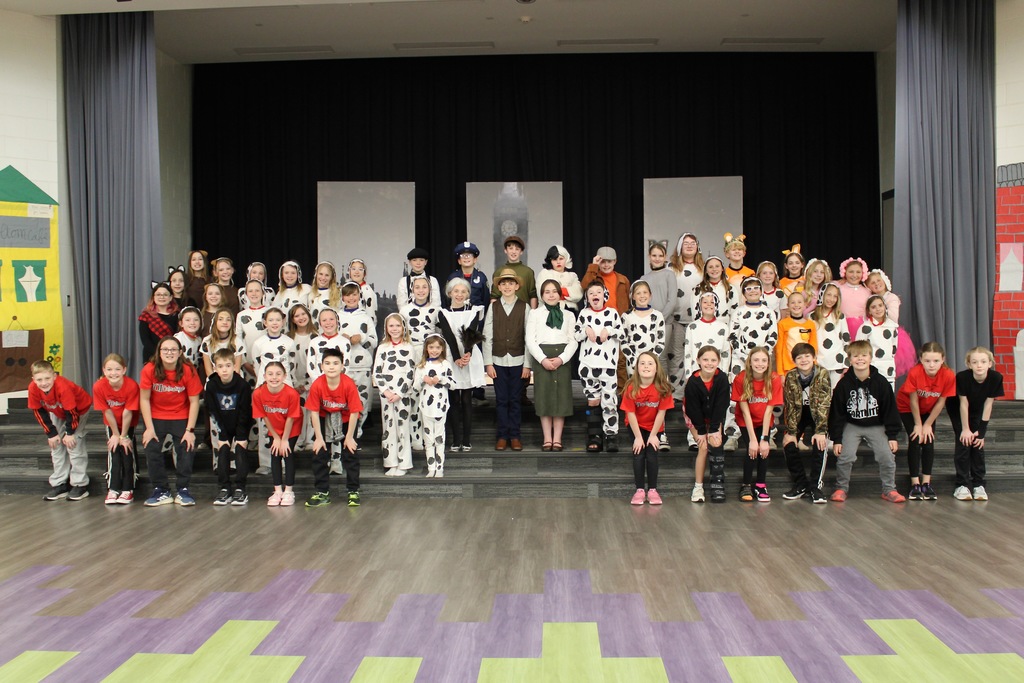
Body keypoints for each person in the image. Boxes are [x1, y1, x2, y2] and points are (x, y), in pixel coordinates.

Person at [829, 339, 904, 503]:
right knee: (845, 456)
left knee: (886, 456)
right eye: (856, 356)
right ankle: (841, 488)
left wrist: (892, 435)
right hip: (852, 425)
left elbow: (889, 410)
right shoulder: (843, 384)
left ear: (871, 358)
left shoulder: (881, 382)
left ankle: (889, 489)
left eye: (864, 355)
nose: (860, 359)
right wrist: (837, 439)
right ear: (849, 359)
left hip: (875, 425)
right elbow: (837, 413)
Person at [140, 336, 203, 506]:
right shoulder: (149, 369)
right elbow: (144, 399)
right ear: (159, 353)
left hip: (180, 415)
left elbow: (194, 401)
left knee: (186, 447)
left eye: (173, 349)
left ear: (180, 352)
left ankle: (183, 490)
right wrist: (149, 428)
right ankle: (161, 490)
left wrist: (190, 431)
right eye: (165, 350)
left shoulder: (187, 370)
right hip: (156, 415)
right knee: (151, 446)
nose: (169, 353)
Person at [898, 342, 956, 501]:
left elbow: (941, 402)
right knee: (916, 439)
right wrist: (918, 424)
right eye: (928, 361)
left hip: (929, 410)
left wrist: (928, 424)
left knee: (929, 441)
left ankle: (926, 483)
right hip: (908, 408)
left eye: (936, 361)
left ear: (943, 359)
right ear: (921, 360)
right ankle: (915, 484)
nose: (932, 365)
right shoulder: (915, 373)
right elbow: (913, 401)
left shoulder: (948, 375)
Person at [305, 347, 363, 508]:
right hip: (324, 418)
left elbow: (354, 412)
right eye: (327, 363)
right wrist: (318, 438)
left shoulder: (348, 384)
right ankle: (322, 492)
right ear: (321, 366)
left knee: (350, 452)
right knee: (319, 453)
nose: (331, 367)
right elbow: (314, 413)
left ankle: (353, 491)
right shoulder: (317, 384)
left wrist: (350, 437)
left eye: (336, 363)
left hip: (346, 419)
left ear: (342, 366)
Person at [483, 268, 531, 451]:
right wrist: (488, 362)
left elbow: (528, 337)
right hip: (498, 361)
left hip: (518, 360)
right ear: (499, 287)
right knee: (502, 400)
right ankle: (502, 435)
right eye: (504, 283)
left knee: (515, 399)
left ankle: (515, 436)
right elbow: (487, 335)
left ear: (517, 286)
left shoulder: (524, 307)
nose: (507, 286)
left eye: (511, 283)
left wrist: (527, 364)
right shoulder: (493, 307)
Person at [527, 279, 578, 451]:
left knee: (560, 399)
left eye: (554, 291)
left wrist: (561, 359)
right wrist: (542, 359)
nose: (551, 295)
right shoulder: (535, 314)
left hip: (561, 358)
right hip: (542, 357)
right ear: (542, 295)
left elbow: (573, 341)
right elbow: (530, 340)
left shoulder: (569, 315)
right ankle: (547, 438)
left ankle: (557, 439)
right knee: (544, 398)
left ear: (559, 294)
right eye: (547, 292)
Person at [948, 347, 1004, 501]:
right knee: (964, 443)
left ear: (990, 364)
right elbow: (963, 404)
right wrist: (965, 429)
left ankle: (979, 484)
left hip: (978, 408)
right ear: (969, 364)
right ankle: (962, 485)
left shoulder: (996, 378)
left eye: (983, 362)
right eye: (975, 362)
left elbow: (988, 404)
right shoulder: (962, 377)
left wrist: (982, 432)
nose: (979, 365)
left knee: (978, 445)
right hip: (958, 410)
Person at [31, 360, 92, 501]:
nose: (44, 382)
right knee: (55, 445)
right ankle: (60, 484)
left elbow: (72, 412)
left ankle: (80, 484)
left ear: (54, 376)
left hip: (78, 410)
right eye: (39, 379)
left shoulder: (63, 387)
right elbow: (38, 412)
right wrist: (51, 434)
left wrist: (70, 433)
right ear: (33, 380)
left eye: (47, 378)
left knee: (73, 444)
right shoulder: (33, 389)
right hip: (57, 410)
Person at [780, 343, 833, 504]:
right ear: (794, 361)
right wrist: (791, 432)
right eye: (799, 357)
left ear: (814, 358)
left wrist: (821, 430)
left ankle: (815, 487)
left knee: (820, 444)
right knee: (788, 443)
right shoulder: (791, 376)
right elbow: (790, 405)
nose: (803, 360)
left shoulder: (822, 373)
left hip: (818, 414)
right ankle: (801, 484)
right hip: (799, 414)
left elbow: (824, 404)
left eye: (807, 356)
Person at [438, 278, 485, 452]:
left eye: (463, 291)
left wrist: (466, 355)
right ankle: (455, 439)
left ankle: (466, 439)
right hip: (451, 355)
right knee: (453, 399)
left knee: (466, 399)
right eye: (456, 291)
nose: (459, 294)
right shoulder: (443, 312)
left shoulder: (474, 311)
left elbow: (471, 334)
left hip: (469, 355)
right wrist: (457, 357)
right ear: (450, 293)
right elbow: (449, 336)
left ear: (467, 294)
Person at [575, 280, 622, 453]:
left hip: (608, 365)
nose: (595, 295)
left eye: (598, 292)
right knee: (593, 401)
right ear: (587, 296)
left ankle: (611, 435)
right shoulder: (583, 313)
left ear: (604, 295)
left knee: (609, 401)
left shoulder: (612, 313)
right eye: (591, 292)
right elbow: (576, 335)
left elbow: (622, 334)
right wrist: (585, 330)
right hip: (588, 365)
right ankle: (594, 435)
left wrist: (609, 331)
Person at [621, 351, 674, 506]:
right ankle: (639, 490)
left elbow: (661, 414)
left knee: (651, 455)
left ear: (656, 368)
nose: (646, 366)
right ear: (637, 368)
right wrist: (638, 437)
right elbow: (630, 414)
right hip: (636, 426)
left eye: (650, 363)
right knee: (638, 454)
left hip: (655, 427)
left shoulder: (663, 388)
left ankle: (652, 490)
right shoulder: (631, 387)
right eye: (642, 363)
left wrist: (653, 435)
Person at [620, 280, 668, 449]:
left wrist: (651, 361)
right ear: (633, 296)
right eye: (638, 293)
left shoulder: (657, 315)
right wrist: (634, 359)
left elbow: (661, 340)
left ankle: (661, 433)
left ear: (650, 295)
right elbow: (623, 339)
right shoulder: (626, 316)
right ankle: (637, 432)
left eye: (645, 292)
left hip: (652, 363)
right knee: (637, 395)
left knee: (658, 395)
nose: (642, 296)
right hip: (633, 362)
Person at [249, 307, 297, 475]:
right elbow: (256, 365)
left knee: (284, 424)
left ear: (283, 321)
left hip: (285, 386)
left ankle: (284, 460)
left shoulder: (289, 343)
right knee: (264, 426)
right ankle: (265, 462)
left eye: (278, 320)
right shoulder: (259, 343)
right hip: (265, 386)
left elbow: (292, 365)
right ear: (265, 323)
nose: (274, 323)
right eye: (271, 320)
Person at [732, 347, 783, 502]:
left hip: (764, 420)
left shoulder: (774, 379)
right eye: (756, 360)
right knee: (752, 449)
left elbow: (769, 412)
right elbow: (745, 412)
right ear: (750, 362)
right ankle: (746, 484)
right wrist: (753, 440)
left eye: (763, 360)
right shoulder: (741, 379)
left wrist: (764, 438)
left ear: (768, 363)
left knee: (764, 449)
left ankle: (760, 484)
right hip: (746, 420)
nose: (759, 364)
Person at [205, 348, 253, 506]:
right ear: (215, 368)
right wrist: (223, 435)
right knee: (223, 450)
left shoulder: (243, 385)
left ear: (234, 366)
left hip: (239, 423)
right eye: (220, 366)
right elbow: (212, 411)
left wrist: (241, 435)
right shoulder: (211, 386)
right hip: (222, 424)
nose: (224, 369)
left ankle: (241, 489)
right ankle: (224, 488)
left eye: (227, 365)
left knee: (240, 449)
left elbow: (245, 411)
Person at [684, 345, 730, 503]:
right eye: (705, 360)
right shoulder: (693, 382)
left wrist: (715, 429)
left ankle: (717, 484)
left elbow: (721, 405)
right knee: (703, 446)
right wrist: (702, 431)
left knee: (716, 442)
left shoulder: (722, 379)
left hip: (714, 415)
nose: (709, 363)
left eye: (713, 360)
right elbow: (692, 409)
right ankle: (698, 487)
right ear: (698, 361)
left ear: (718, 361)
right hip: (695, 418)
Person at [252, 361, 302, 506]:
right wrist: (275, 437)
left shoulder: (291, 394)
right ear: (264, 376)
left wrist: (284, 439)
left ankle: (289, 491)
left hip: (290, 428)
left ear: (284, 376)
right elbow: (264, 416)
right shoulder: (258, 393)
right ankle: (277, 490)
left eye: (278, 374)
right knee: (274, 454)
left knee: (286, 453)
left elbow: (292, 418)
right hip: (274, 428)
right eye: (270, 374)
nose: (274, 377)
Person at [373, 313, 416, 476]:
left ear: (403, 327)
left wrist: (399, 393)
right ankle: (391, 462)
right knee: (389, 428)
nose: (395, 329)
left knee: (403, 428)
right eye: (391, 326)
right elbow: (377, 373)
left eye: (398, 325)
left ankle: (404, 463)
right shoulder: (382, 348)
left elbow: (411, 373)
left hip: (402, 395)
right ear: (386, 328)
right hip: (386, 395)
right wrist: (386, 391)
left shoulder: (408, 348)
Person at [93, 353, 140, 504]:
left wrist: (124, 436)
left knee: (126, 450)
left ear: (124, 370)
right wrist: (115, 434)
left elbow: (128, 412)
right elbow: (106, 411)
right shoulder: (99, 386)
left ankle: (128, 489)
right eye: (109, 369)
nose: (113, 373)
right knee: (114, 450)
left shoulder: (131, 386)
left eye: (117, 369)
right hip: (112, 423)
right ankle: (113, 489)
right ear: (104, 371)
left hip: (128, 423)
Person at [666, 233, 704, 398]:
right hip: (677, 320)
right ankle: (677, 394)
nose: (689, 246)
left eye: (692, 243)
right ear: (680, 246)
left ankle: (698, 393)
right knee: (676, 358)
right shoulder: (671, 268)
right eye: (686, 243)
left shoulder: (704, 268)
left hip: (699, 321)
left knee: (699, 357)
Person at [338, 282, 377, 440]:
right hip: (343, 368)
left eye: (354, 294)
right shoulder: (338, 317)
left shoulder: (365, 318)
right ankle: (342, 435)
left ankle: (355, 434)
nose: (351, 298)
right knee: (342, 402)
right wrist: (343, 339)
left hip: (362, 367)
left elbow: (373, 342)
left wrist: (361, 338)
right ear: (342, 297)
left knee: (361, 402)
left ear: (359, 296)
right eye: (347, 295)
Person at [415, 334, 454, 477]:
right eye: (431, 347)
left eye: (438, 347)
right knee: (428, 438)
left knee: (439, 437)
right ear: (426, 348)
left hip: (441, 407)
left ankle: (440, 466)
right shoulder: (421, 366)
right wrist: (423, 379)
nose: (434, 350)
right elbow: (415, 387)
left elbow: (453, 384)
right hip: (426, 407)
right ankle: (431, 467)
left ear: (442, 348)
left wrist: (441, 379)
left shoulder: (445, 365)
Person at [728, 277, 777, 378]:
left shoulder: (769, 312)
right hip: (741, 359)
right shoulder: (738, 312)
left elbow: (773, 337)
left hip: (762, 361)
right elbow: (733, 337)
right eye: (748, 289)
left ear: (761, 290)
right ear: (743, 293)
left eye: (756, 288)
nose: (753, 291)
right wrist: (745, 357)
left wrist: (760, 357)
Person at [287, 303, 317, 448]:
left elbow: (318, 363)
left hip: (311, 382)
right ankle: (297, 440)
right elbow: (286, 363)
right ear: (292, 320)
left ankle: (310, 440)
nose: (301, 318)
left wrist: (308, 385)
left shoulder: (316, 338)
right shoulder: (288, 339)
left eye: (303, 314)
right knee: (297, 411)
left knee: (311, 410)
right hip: (294, 382)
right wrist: (294, 384)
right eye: (297, 315)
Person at [809, 282, 849, 389]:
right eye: (829, 294)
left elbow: (846, 340)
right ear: (822, 294)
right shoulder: (812, 317)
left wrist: (846, 363)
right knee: (820, 393)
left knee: (834, 393)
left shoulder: (840, 316)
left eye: (835, 296)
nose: (831, 299)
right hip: (819, 362)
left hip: (837, 362)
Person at [855, 294, 899, 390]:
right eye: (873, 307)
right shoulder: (865, 327)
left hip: (888, 370)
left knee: (887, 400)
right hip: (871, 370)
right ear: (869, 311)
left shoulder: (892, 326)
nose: (878, 309)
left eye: (880, 305)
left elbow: (893, 349)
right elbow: (858, 349)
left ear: (884, 306)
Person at [642, 242, 678, 351]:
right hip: (648, 323)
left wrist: (659, 320)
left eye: (660, 255)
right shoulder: (644, 278)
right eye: (654, 255)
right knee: (649, 356)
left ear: (665, 257)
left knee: (661, 356)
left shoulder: (669, 275)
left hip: (665, 323)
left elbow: (672, 301)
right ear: (649, 257)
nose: (657, 259)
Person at [775, 291, 817, 377]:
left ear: (805, 304)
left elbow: (814, 347)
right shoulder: (782, 324)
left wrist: (814, 367)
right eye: (792, 302)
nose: (796, 305)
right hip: (789, 368)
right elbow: (779, 350)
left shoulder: (810, 324)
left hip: (807, 367)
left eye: (799, 302)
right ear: (788, 305)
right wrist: (780, 373)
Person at [138, 282, 180, 363]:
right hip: (152, 356)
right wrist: (160, 354)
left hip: (172, 356)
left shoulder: (177, 315)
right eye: (158, 295)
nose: (162, 297)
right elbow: (145, 340)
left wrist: (169, 353)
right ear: (153, 297)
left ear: (171, 297)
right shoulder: (146, 316)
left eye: (165, 295)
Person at [491, 235, 537, 307]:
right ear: (505, 250)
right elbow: (494, 297)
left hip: (524, 312)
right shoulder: (499, 272)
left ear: (521, 252)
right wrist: (494, 313)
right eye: (510, 248)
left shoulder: (528, 272)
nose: (513, 252)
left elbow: (533, 295)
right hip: (503, 313)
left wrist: (533, 314)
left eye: (517, 249)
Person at [537, 245, 583, 311]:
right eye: (555, 259)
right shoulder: (544, 273)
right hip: (549, 310)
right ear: (550, 261)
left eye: (561, 259)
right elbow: (541, 293)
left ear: (566, 259)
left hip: (570, 310)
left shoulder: (572, 275)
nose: (558, 262)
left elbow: (578, 293)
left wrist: (558, 291)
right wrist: (567, 292)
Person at [201, 307, 242, 378]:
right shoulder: (207, 341)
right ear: (215, 322)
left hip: (234, 381)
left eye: (228, 320)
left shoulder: (237, 341)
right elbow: (208, 370)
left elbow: (237, 370)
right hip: (214, 381)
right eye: (220, 319)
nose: (224, 322)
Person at [446, 241, 489, 308]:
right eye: (463, 256)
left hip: (476, 315)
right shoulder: (453, 277)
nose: (466, 258)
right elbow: (447, 299)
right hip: (456, 314)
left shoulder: (481, 277)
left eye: (469, 255)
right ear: (459, 261)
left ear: (475, 259)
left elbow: (486, 299)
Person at [835, 257, 871, 333]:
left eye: (858, 272)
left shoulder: (867, 291)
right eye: (851, 272)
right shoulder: (838, 288)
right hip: (841, 328)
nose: (854, 275)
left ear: (863, 273)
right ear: (845, 272)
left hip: (861, 330)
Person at [308, 261, 343, 328]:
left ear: (331, 277)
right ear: (316, 275)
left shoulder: (339, 293)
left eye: (327, 275)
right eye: (321, 274)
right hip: (315, 334)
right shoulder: (311, 294)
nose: (323, 278)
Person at [347, 258, 378, 327]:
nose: (356, 272)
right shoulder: (345, 289)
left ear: (364, 273)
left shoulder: (367, 291)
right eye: (353, 269)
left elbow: (371, 315)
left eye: (360, 269)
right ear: (349, 272)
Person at [174, 306, 203, 371]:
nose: (192, 323)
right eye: (188, 320)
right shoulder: (178, 339)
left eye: (196, 320)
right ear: (181, 323)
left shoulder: (199, 340)